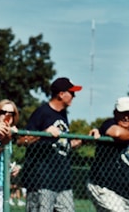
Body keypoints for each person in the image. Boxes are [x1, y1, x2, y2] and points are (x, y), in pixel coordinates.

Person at [16, 77, 83, 212]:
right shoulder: (42, 112)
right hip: (42, 180)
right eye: (71, 93)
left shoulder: (63, 114)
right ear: (61, 94)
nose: (74, 96)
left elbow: (63, 144)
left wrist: (83, 140)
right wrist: (44, 133)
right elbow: (21, 140)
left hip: (62, 181)